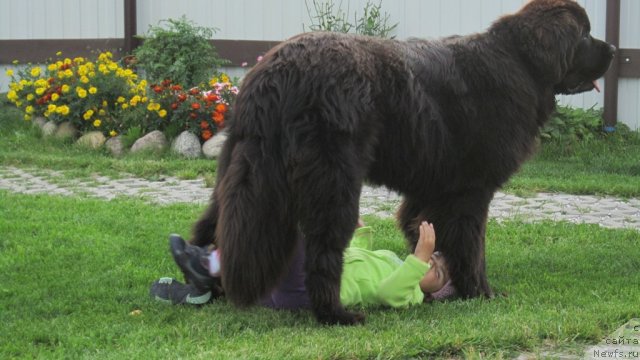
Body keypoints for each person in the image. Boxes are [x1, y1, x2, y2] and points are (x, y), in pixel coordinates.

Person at [150, 221, 454, 308]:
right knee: (258, 270)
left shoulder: (411, 294)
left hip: (309, 292)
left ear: (434, 294)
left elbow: (387, 293)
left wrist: (418, 258)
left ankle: (209, 265)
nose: (429, 266)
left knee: (289, 232)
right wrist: (359, 230)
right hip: (285, 292)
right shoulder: (393, 260)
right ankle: (201, 289)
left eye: (436, 274)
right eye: (434, 260)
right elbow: (356, 256)